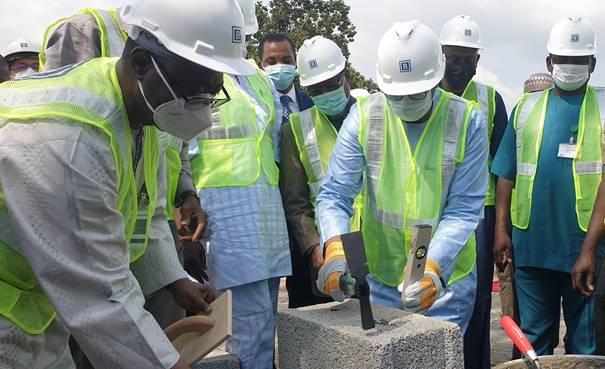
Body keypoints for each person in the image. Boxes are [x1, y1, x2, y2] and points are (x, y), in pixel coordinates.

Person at [0, 0, 253, 368]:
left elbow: (145, 211)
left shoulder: (141, 111)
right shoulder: (70, 139)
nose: (201, 107)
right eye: (193, 89)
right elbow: (101, 296)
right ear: (140, 63)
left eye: (212, 91)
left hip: (37, 313)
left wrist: (172, 279)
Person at [39, 6, 207, 331]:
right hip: (87, 249)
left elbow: (149, 195)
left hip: (146, 234)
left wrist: (173, 278)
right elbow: (72, 193)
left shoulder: (183, 45)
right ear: (140, 63)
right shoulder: (88, 32)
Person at [316, 20, 488, 334]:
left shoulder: (467, 121)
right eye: (396, 95)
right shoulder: (365, 116)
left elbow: (464, 209)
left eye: (416, 94)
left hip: (444, 281)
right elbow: (335, 195)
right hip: (382, 274)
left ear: (437, 81)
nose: (406, 103)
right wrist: (336, 249)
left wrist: (433, 267)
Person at [492, 16, 603, 355]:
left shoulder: (603, 107)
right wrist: (501, 231)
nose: (568, 67)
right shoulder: (525, 107)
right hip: (531, 250)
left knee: (585, 346)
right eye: (562, 59)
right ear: (548, 62)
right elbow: (506, 174)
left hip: (585, 250)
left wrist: (588, 250)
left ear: (592, 63)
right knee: (533, 344)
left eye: (577, 60)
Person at [188, 0, 290, 367]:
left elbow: (275, 142)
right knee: (246, 326)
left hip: (266, 214)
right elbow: (177, 149)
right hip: (224, 215)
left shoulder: (258, 78)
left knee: (267, 321)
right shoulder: (200, 71)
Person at [439, 15, 509, 369]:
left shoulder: (490, 99)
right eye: (454, 57)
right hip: (432, 210)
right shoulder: (424, 92)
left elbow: (502, 169)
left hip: (481, 213)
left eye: (468, 58)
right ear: (440, 54)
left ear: (478, 60)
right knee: (431, 293)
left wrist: (500, 231)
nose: (461, 65)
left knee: (478, 299)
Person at [279, 36, 359, 308]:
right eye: (316, 90)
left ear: (344, 76)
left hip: (371, 241)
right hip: (327, 247)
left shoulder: (373, 118)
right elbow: (296, 201)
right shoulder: (296, 128)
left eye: (330, 85)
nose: (325, 94)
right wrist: (313, 247)